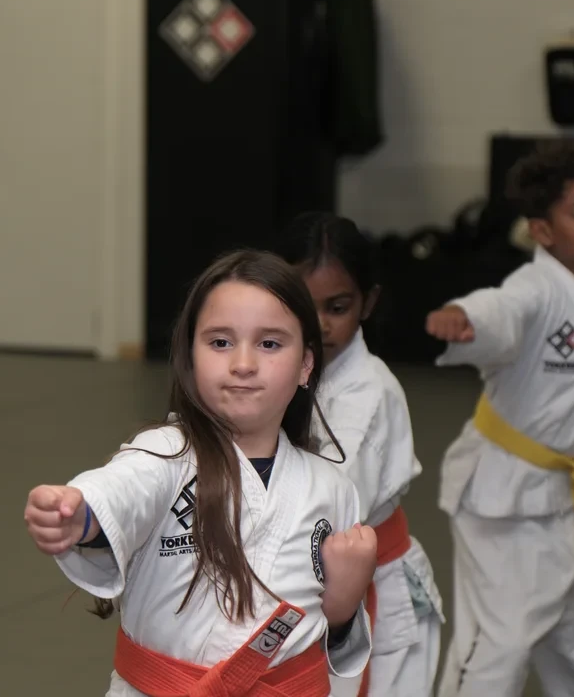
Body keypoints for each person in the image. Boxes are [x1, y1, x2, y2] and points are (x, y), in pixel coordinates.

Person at [23, 249, 378, 697]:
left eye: (269, 344)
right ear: (190, 358)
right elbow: (123, 491)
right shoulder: (166, 457)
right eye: (220, 342)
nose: (243, 364)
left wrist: (345, 606)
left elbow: (334, 655)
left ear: (306, 364)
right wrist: (82, 515)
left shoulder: (333, 490)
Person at [428, 140, 574, 697]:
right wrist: (466, 319)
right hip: (504, 501)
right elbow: (501, 312)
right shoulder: (533, 289)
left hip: (570, 491)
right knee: (498, 648)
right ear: (543, 232)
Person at [276, 212, 444, 697]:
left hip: (376, 592)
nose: (319, 324)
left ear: (367, 302)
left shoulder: (365, 397)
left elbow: (330, 505)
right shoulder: (284, 369)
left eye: (338, 306)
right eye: (304, 306)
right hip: (316, 579)